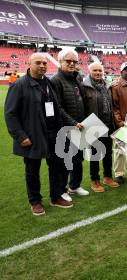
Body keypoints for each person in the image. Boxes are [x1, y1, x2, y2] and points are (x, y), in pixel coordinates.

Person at [4, 53, 72, 215]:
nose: (42, 65)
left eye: (44, 63)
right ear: (29, 63)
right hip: (32, 135)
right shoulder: (19, 85)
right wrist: (21, 136)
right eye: (38, 63)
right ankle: (35, 201)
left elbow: (55, 108)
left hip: (53, 133)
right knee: (32, 170)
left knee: (56, 167)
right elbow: (10, 114)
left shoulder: (49, 83)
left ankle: (56, 197)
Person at [51, 49, 89, 201]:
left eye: (74, 61)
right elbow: (57, 107)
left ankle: (75, 186)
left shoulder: (75, 79)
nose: (72, 64)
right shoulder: (56, 80)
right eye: (68, 61)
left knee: (78, 159)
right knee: (66, 160)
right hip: (66, 128)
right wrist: (73, 122)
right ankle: (62, 190)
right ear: (60, 62)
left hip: (79, 127)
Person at [82, 61, 120, 192]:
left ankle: (108, 177)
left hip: (108, 125)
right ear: (89, 72)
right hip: (93, 125)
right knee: (95, 154)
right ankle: (94, 180)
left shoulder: (106, 86)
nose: (98, 73)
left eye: (100, 71)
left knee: (108, 153)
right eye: (95, 71)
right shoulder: (84, 87)